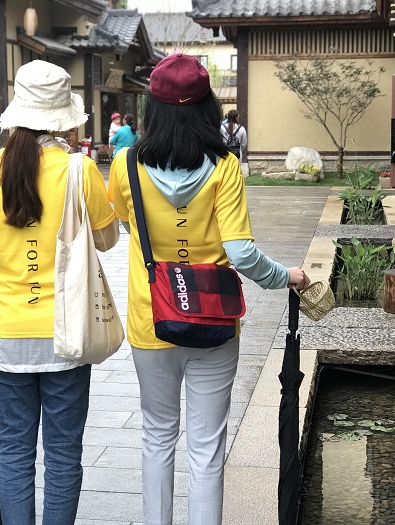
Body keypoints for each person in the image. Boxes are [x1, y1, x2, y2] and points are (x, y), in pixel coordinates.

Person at [109, 53, 309, 525]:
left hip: (152, 318)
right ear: (207, 109)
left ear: (152, 108)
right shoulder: (224, 167)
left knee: (158, 436)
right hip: (214, 321)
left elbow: (127, 221)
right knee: (206, 447)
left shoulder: (125, 164)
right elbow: (240, 253)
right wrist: (285, 276)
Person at [0, 60, 119, 525]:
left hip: (9, 333)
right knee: (63, 454)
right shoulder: (79, 170)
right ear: (63, 118)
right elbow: (107, 239)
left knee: (15, 450)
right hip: (69, 333)